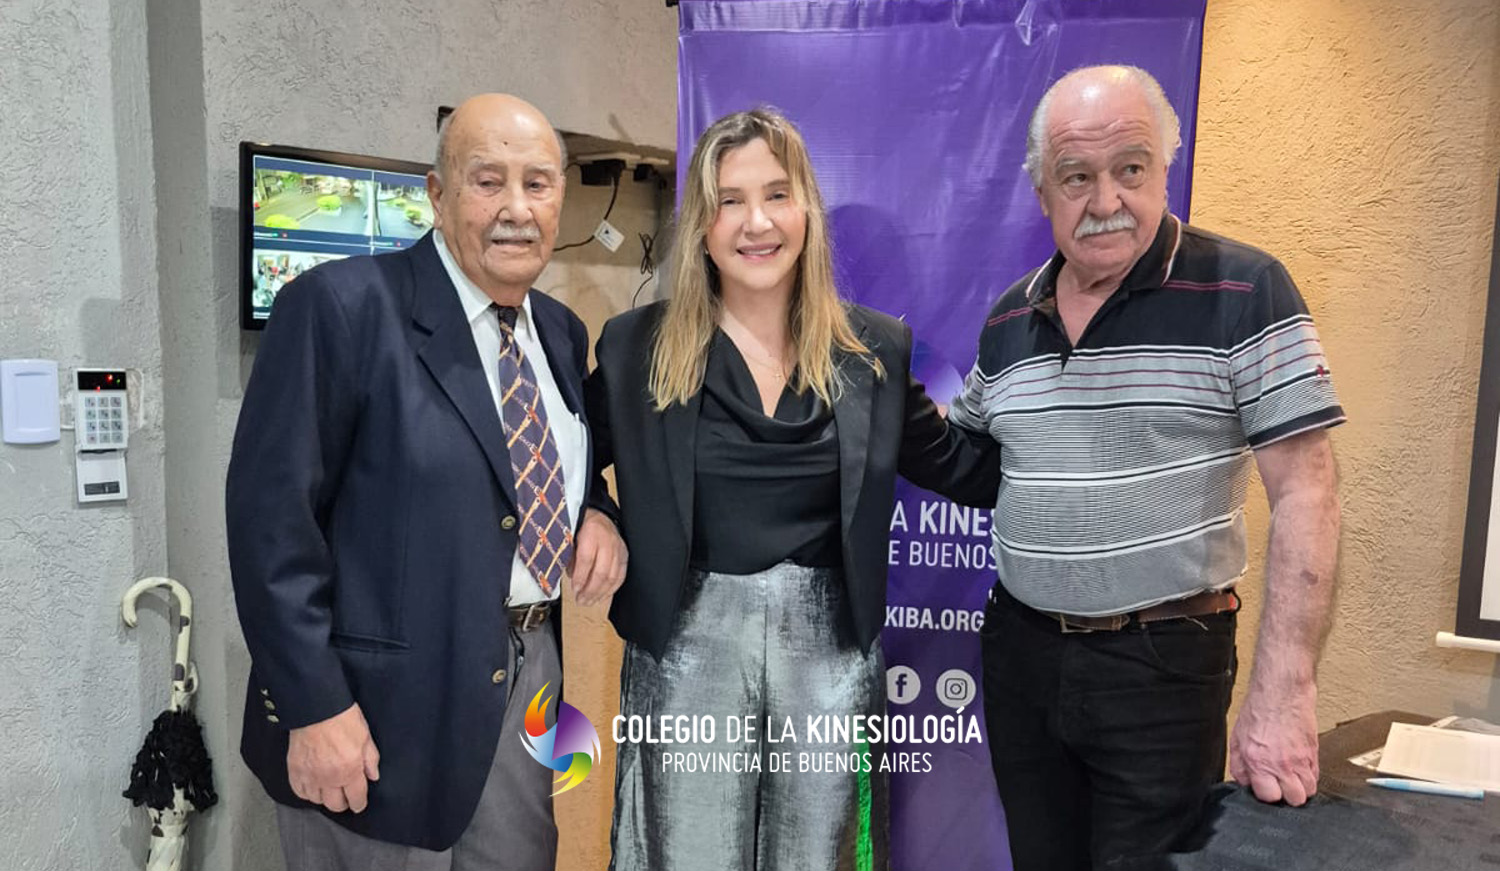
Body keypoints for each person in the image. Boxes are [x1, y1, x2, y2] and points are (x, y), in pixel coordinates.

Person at [947, 65, 1345, 869]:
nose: (1105, 201)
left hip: (1163, 666)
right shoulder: (1009, 315)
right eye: (1076, 177)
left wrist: (1285, 692)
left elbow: (1308, 491)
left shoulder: (1246, 289)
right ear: (1042, 192)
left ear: (1166, 166)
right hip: (1022, 656)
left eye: (1129, 168)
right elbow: (965, 457)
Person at [586, 107, 1001, 871]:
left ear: (805, 208)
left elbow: (964, 467)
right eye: (730, 200)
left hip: (828, 664)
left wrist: (1062, 421)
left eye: (777, 194)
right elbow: (571, 461)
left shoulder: (873, 351)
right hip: (686, 660)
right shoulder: (636, 347)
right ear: (702, 223)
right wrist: (596, 514)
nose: (757, 222)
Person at [226, 93, 627, 871]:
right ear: (438, 196)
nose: (517, 208)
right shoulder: (340, 309)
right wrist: (313, 705)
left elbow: (550, 471)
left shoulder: (559, 330)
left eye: (538, 183)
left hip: (527, 682)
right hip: (374, 716)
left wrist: (600, 513)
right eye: (488, 180)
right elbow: (270, 526)